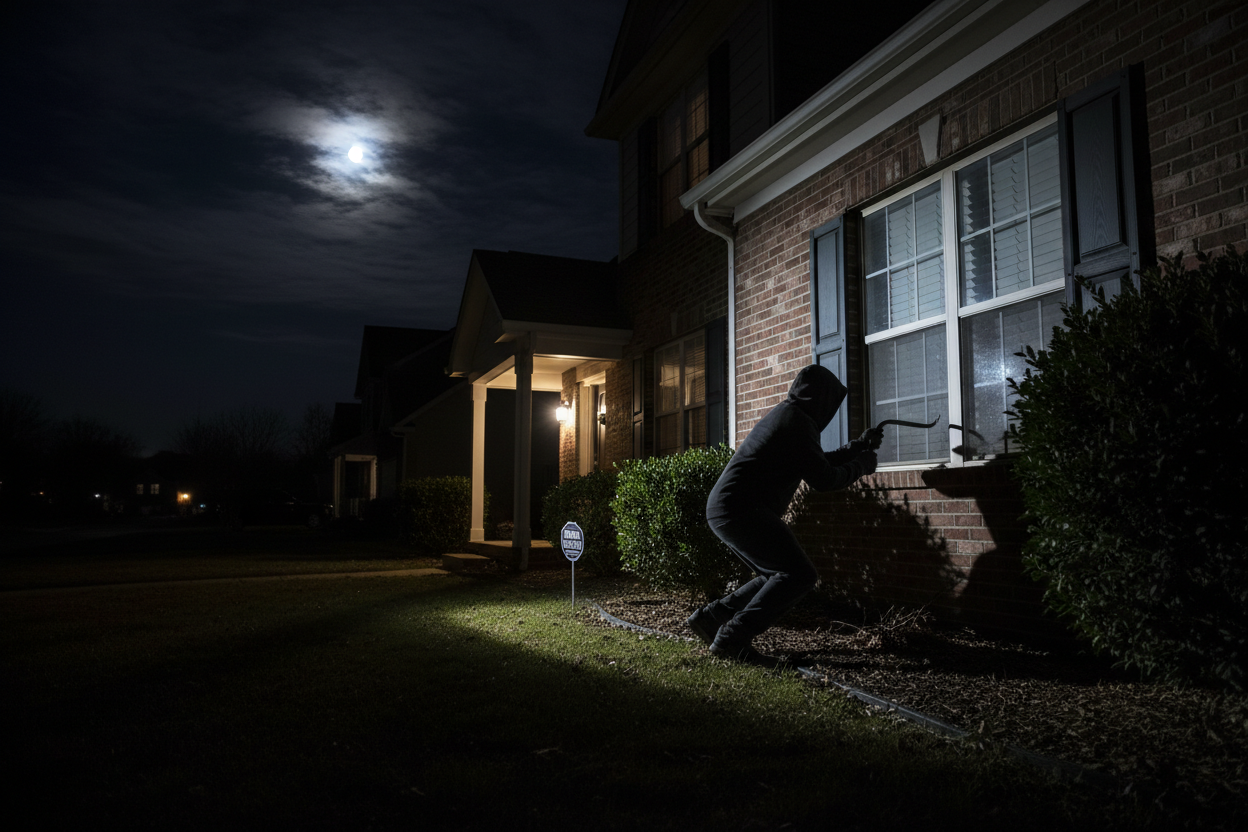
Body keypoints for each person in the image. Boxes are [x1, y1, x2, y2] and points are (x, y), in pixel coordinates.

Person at [688, 364, 881, 667]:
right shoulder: (797, 422)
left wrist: (856, 448)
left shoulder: (790, 415)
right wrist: (862, 466)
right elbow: (825, 479)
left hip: (729, 507)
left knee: (773, 574)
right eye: (830, 403)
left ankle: (711, 618)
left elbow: (814, 462)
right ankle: (731, 639)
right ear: (820, 399)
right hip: (741, 509)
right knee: (799, 575)